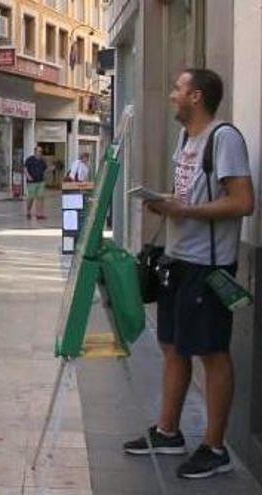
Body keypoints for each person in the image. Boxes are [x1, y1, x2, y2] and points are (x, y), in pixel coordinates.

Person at [123, 69, 254, 479]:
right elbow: (190, 196)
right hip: (178, 259)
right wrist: (164, 202)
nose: (171, 95)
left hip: (209, 265)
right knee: (172, 346)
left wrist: (187, 211)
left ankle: (216, 448)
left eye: (177, 89)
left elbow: (243, 202)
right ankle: (168, 431)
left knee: (212, 352)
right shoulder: (186, 139)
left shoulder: (224, 138)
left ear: (196, 96)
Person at [24, 146, 48, 220]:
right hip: (32, 182)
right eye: (39, 151)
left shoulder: (42, 161)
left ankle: (39, 214)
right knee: (31, 198)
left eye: (41, 151)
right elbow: (25, 169)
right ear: (35, 152)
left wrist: (45, 177)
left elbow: (45, 170)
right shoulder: (29, 159)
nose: (40, 153)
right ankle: (28, 211)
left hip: (40, 181)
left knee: (40, 197)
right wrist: (28, 177)